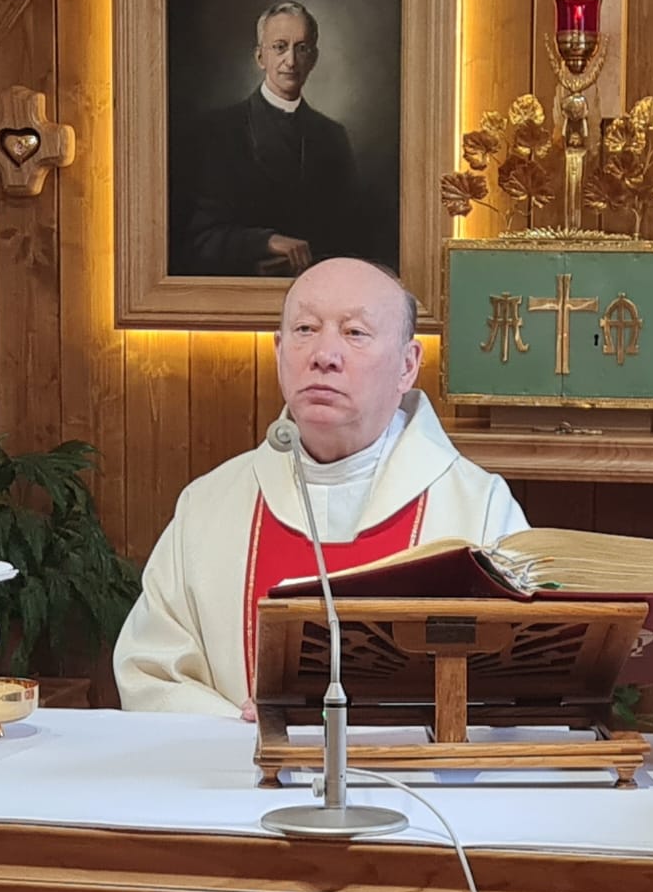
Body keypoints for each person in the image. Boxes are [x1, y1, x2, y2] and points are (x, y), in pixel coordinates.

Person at [114, 258, 528, 716]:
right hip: (237, 757)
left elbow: (519, 683)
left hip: (417, 764)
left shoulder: (480, 511)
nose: (324, 354)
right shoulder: (209, 506)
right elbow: (151, 671)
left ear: (407, 365)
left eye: (355, 332)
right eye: (305, 329)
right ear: (278, 351)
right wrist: (241, 726)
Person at [170, 0, 386, 277]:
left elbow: (352, 238)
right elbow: (198, 240)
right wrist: (265, 242)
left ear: (313, 58)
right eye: (280, 47)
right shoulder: (218, 131)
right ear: (261, 57)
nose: (291, 61)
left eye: (302, 48)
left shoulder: (331, 136)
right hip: (239, 290)